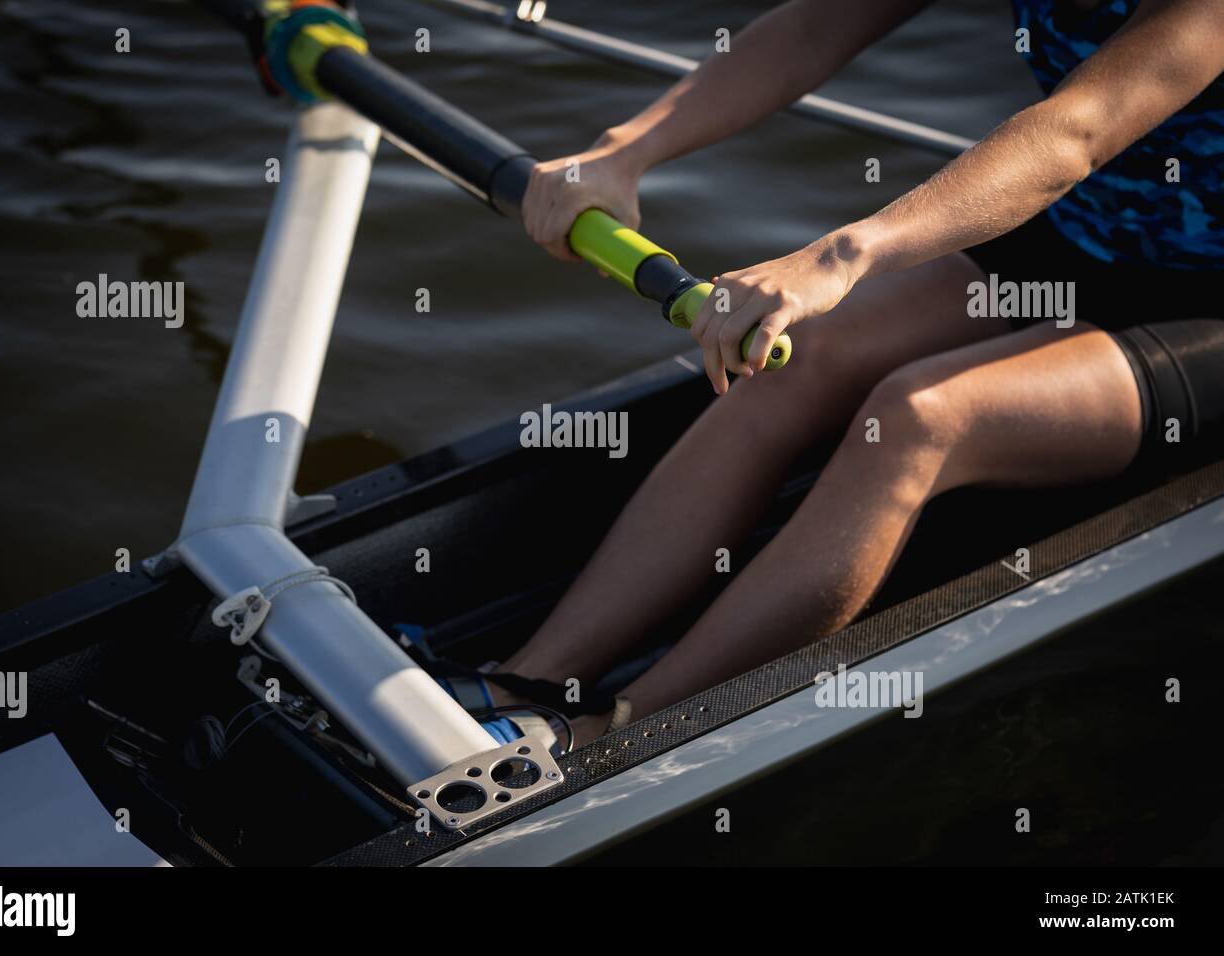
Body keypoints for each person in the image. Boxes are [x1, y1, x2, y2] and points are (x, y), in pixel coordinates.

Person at [446, 0, 1224, 745]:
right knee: (796, 355)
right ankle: (530, 683)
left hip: (1206, 305)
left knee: (922, 416)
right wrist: (624, 152)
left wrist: (837, 257)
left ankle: (617, 738)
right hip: (1076, 239)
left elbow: (1073, 135)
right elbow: (819, 24)